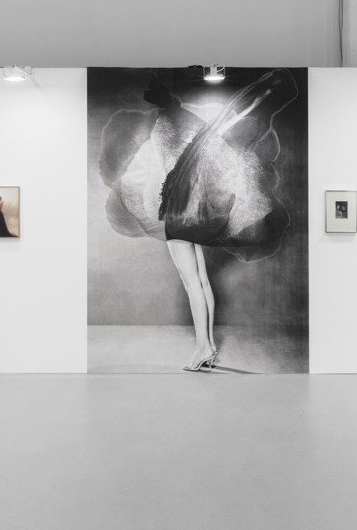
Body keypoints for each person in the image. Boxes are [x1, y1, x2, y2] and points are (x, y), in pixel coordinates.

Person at [99, 70, 297, 373]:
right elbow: (202, 149)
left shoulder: (167, 125)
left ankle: (203, 347)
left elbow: (169, 162)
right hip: (193, 213)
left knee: (191, 282)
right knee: (202, 280)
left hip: (178, 214)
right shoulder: (189, 122)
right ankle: (210, 348)